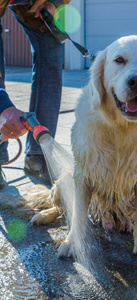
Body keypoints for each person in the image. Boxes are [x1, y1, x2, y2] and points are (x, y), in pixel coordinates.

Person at [0, 0, 71, 189]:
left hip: (32, 3)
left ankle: (38, 156)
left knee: (52, 44)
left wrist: (54, 2)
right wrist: (2, 105)